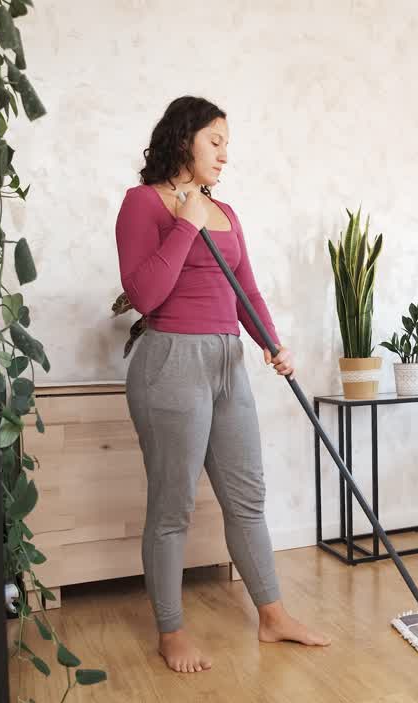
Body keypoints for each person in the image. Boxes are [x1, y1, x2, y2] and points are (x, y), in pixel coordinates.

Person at [115, 96, 331, 673]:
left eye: (227, 144)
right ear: (184, 139)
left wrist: (271, 341)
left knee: (247, 496)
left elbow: (246, 291)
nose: (225, 155)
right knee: (172, 505)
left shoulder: (228, 213)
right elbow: (145, 295)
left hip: (229, 362)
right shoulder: (142, 204)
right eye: (216, 141)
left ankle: (273, 615)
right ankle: (170, 629)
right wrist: (185, 222)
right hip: (170, 362)